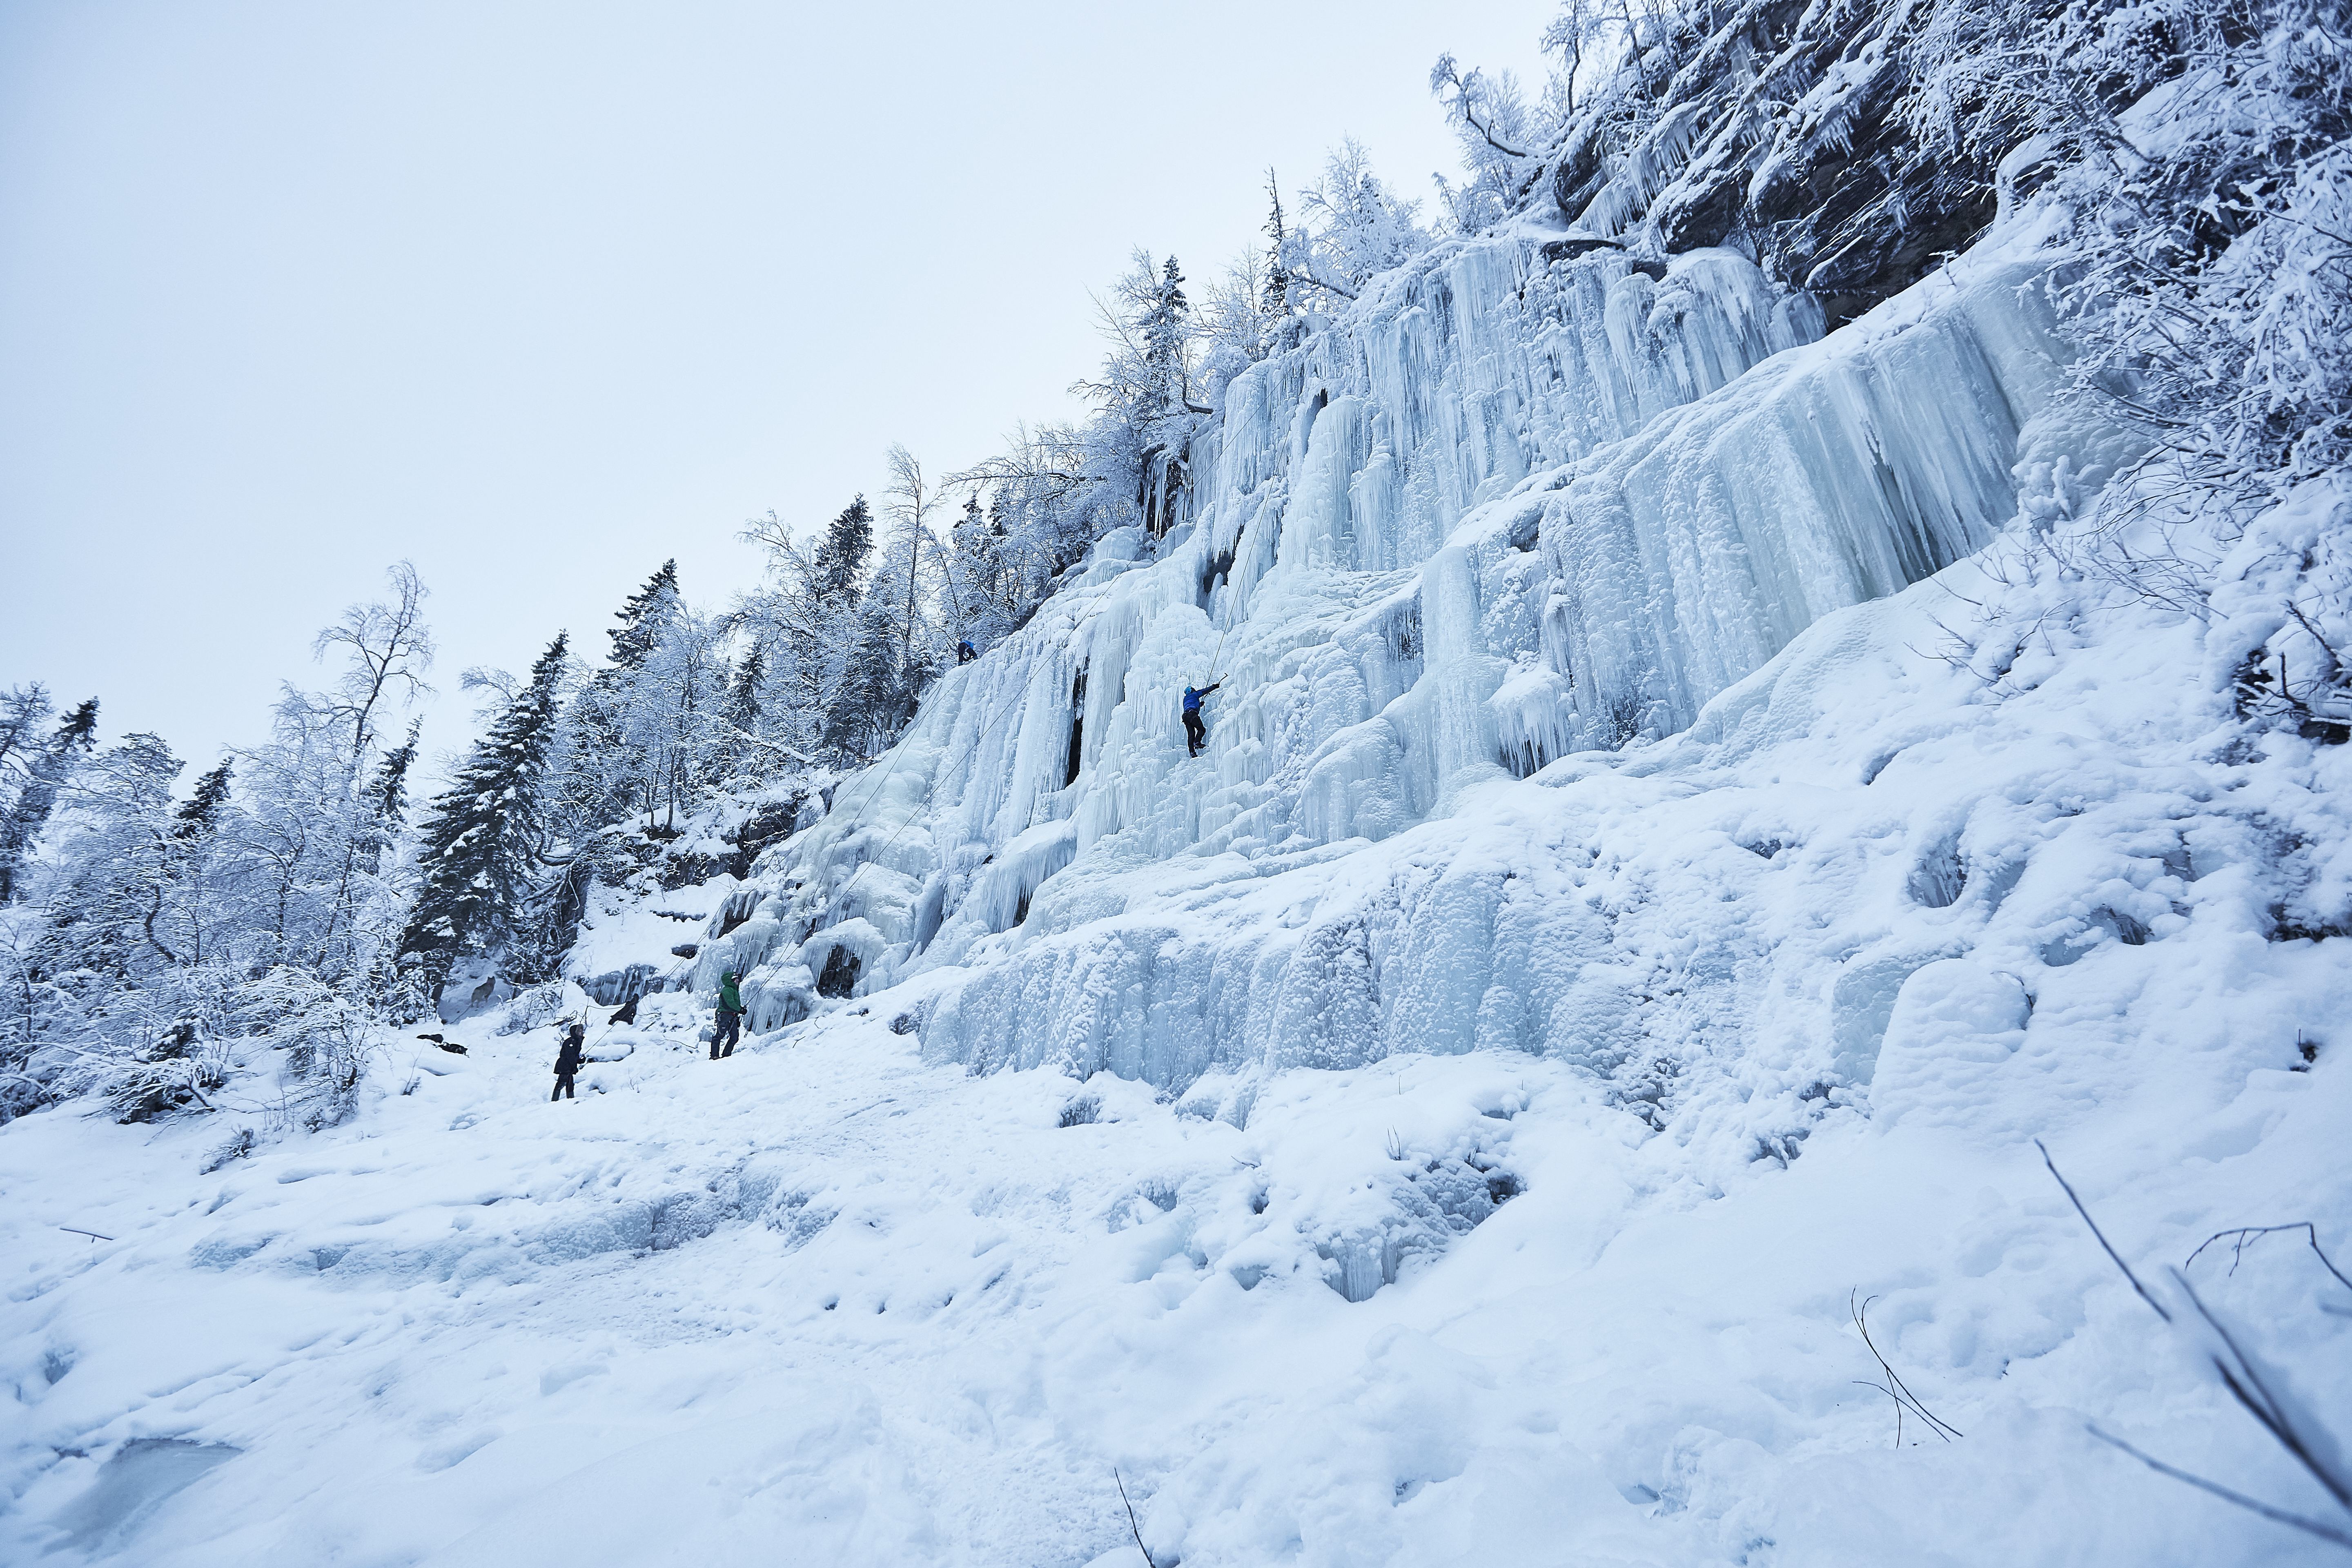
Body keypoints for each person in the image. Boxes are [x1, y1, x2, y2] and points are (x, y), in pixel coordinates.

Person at [1181, 681, 1222, 758]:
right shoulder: (1194, 695)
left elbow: (1191, 705)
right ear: (1191, 691)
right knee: (1202, 729)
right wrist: (1214, 686)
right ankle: (1197, 742)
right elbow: (1204, 691)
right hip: (1192, 714)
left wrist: (1199, 705)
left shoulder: (1186, 699)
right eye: (1193, 689)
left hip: (1186, 717)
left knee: (1191, 735)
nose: (1195, 690)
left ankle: (1192, 752)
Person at [712, 969, 744, 1059]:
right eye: (735, 979)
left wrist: (739, 1009)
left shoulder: (733, 990)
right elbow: (730, 1003)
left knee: (735, 1037)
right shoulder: (727, 990)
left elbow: (733, 1004)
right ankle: (714, 1056)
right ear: (731, 980)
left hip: (732, 1016)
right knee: (720, 1035)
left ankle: (726, 1055)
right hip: (725, 1015)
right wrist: (740, 1009)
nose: (738, 980)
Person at [552, 1022, 584, 1101]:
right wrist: (574, 1066)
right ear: (575, 1032)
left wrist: (580, 1060)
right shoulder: (571, 1042)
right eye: (579, 1031)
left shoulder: (577, 1041)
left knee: (570, 1084)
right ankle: (555, 1101)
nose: (581, 1033)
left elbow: (574, 1056)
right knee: (562, 1083)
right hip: (564, 1065)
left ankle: (570, 1100)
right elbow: (570, 1056)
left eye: (581, 1031)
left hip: (568, 1065)